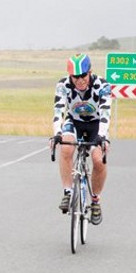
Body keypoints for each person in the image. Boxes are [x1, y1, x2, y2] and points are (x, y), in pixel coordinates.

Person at [52, 53, 111, 225]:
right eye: (75, 77)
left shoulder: (102, 85)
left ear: (90, 72)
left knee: (98, 160)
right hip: (74, 122)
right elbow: (58, 110)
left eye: (83, 76)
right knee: (66, 148)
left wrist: (102, 137)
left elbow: (106, 113)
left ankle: (95, 200)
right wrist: (57, 133)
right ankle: (68, 192)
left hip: (96, 124)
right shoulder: (63, 85)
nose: (79, 80)